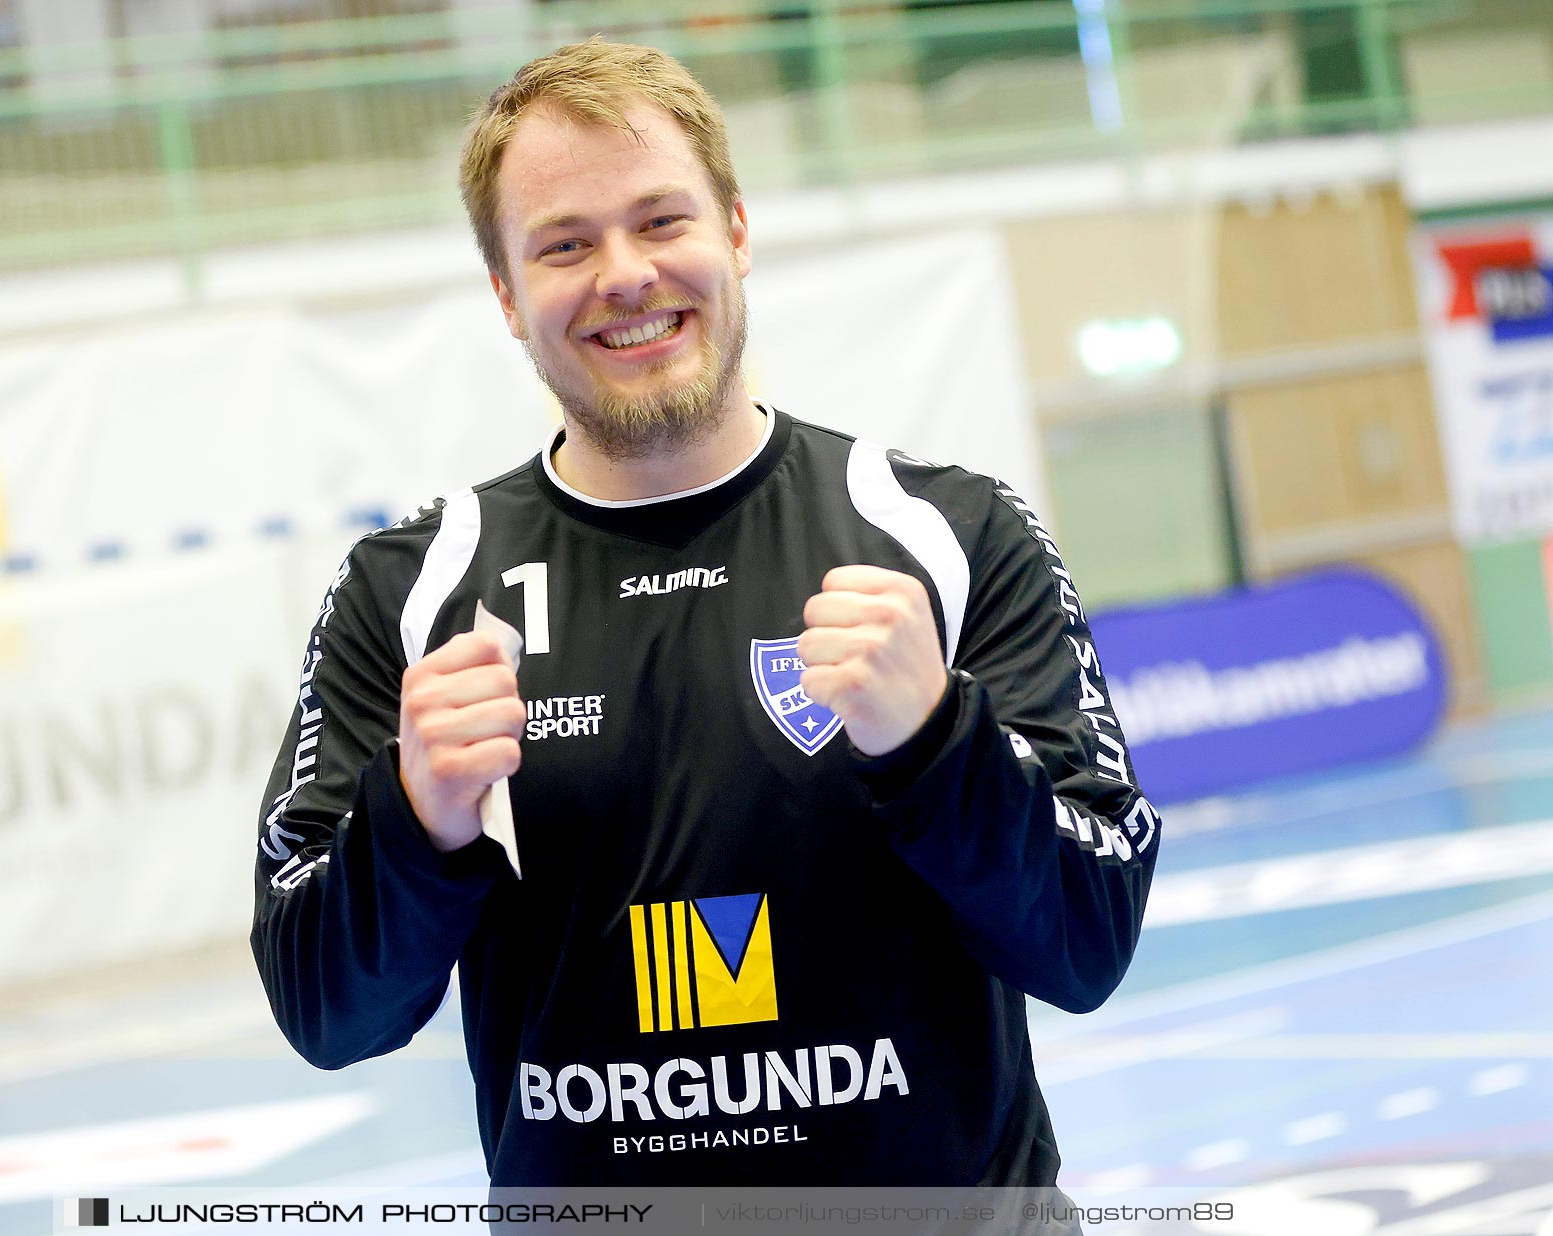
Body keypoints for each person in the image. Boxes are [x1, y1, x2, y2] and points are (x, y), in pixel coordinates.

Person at [251, 37, 1159, 1191]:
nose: (623, 274)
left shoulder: (948, 534)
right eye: (564, 245)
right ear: (507, 297)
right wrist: (414, 818)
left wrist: (938, 743)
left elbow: (1088, 941)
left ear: (736, 230)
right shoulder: (413, 591)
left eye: (661, 221)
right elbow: (324, 1013)